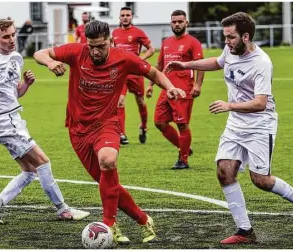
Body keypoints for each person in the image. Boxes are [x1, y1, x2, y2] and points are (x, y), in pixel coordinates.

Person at [165, 12, 293, 244]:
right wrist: (185, 64)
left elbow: (260, 103)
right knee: (224, 172)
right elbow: (217, 61)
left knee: (261, 180)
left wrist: (229, 105)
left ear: (246, 37)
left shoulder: (261, 63)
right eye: (225, 37)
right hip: (236, 123)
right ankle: (245, 231)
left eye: (231, 37)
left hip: (260, 124)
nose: (226, 42)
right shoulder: (231, 50)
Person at [33, 20, 186, 244]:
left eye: (101, 46)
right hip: (78, 130)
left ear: (111, 42)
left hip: (106, 124)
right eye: (91, 46)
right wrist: (49, 62)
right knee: (106, 181)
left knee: (107, 160)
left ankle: (109, 223)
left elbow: (153, 73)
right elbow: (40, 52)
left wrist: (170, 87)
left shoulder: (123, 58)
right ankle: (143, 220)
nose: (95, 51)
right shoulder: (77, 52)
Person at [0, 18, 90, 224]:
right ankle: (63, 210)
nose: (11, 40)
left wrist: (26, 84)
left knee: (29, 171)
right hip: (4, 122)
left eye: (13, 34)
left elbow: (15, 93)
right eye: (6, 37)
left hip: (13, 118)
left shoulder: (16, 58)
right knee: (43, 162)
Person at [146, 10, 204, 169]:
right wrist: (151, 85)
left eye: (180, 21)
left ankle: (183, 160)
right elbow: (159, 65)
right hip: (166, 89)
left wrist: (198, 85)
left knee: (182, 125)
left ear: (186, 23)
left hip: (183, 91)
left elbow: (200, 65)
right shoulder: (166, 42)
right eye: (174, 21)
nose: (176, 24)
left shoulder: (193, 42)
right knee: (159, 122)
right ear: (170, 23)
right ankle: (184, 146)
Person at [112, 6, 155, 145]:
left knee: (140, 101)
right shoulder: (115, 33)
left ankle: (143, 126)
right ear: (119, 17)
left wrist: (140, 60)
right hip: (120, 73)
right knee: (120, 101)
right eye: (123, 15)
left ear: (131, 17)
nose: (125, 17)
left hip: (135, 73)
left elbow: (151, 49)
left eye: (128, 15)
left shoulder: (138, 32)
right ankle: (122, 134)